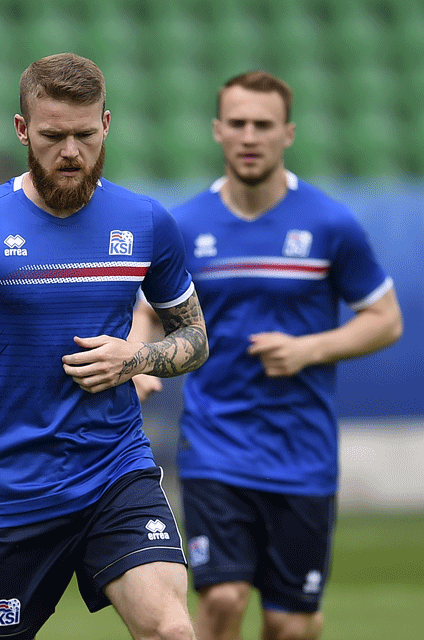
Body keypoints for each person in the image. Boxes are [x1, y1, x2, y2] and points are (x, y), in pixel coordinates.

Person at [0, 52, 208, 640]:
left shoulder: (145, 222)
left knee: (171, 630)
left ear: (106, 124)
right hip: (11, 488)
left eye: (85, 134)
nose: (71, 151)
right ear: (22, 129)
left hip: (115, 471)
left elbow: (194, 337)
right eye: (54, 135)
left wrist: (134, 358)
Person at [132, 71, 403, 640]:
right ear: (217, 131)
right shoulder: (185, 226)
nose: (249, 135)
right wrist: (140, 362)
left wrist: (309, 348)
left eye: (263, 124)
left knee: (289, 624)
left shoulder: (330, 224)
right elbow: (148, 313)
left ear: (288, 133)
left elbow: (386, 319)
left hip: (302, 453)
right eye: (238, 123)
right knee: (223, 599)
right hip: (215, 446)